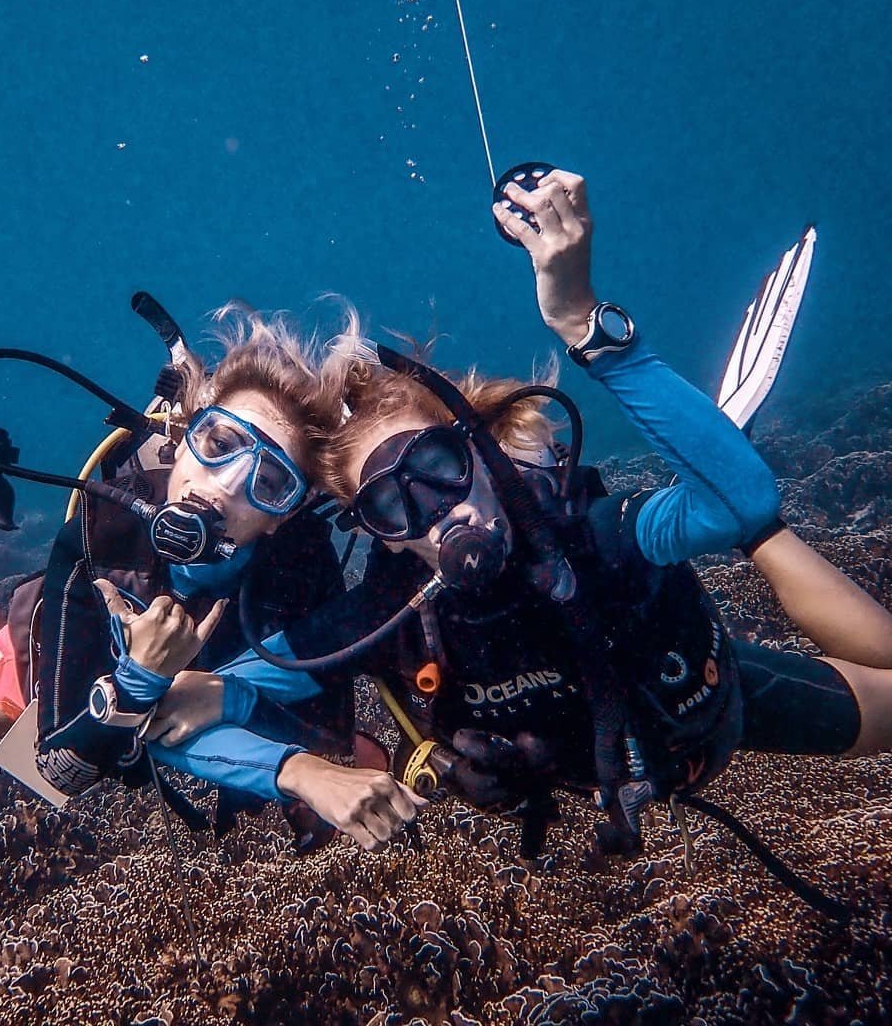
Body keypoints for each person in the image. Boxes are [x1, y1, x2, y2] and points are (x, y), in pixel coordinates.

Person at [144, 169, 892, 856]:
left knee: (756, 529)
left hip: (713, 706)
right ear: (381, 537)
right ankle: (716, 447)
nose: (435, 516)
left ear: (484, 453)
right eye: (392, 505)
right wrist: (300, 769)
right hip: (619, 763)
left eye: (438, 471)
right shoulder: (387, 615)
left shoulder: (582, 533)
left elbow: (744, 500)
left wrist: (585, 328)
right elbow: (178, 718)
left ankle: (745, 491)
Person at [0, 309, 358, 828]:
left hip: (173, 693)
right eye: (219, 445)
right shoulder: (106, 532)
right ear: (184, 436)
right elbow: (60, 770)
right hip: (77, 655)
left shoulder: (303, 568)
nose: (227, 486)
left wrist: (227, 697)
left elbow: (326, 721)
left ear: (286, 517)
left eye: (272, 482)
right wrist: (138, 682)